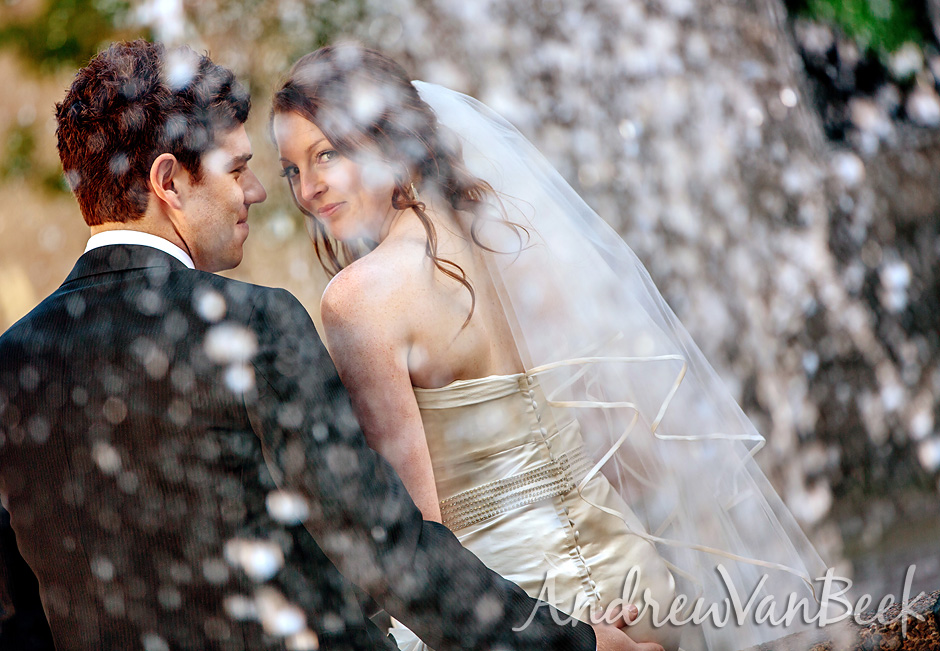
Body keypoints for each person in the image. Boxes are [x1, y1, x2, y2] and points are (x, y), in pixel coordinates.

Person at [0, 39, 645, 651]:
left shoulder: (13, 361)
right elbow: (381, 544)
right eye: (239, 168)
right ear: (169, 181)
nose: (256, 192)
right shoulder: (249, 324)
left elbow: (17, 610)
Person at [271, 45, 830, 651]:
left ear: (383, 140)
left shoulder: (358, 299)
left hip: (517, 614)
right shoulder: (513, 237)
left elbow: (418, 532)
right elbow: (610, 433)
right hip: (633, 578)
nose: (309, 189)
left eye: (325, 154)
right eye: (291, 170)